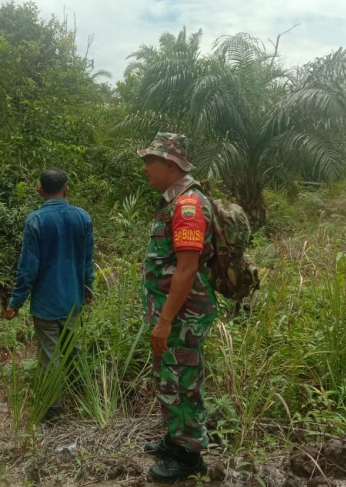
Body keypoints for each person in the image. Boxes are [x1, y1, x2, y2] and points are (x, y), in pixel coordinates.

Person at [138, 132, 217, 482]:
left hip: (182, 316)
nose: (145, 170)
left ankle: (189, 456)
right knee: (169, 377)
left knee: (183, 380)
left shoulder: (188, 206)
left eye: (149, 162)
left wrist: (166, 320)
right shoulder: (175, 201)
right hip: (172, 314)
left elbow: (187, 268)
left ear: (169, 164)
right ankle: (175, 440)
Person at [2, 168, 94, 420]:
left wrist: (15, 303)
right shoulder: (82, 217)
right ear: (66, 189)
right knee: (73, 349)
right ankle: (82, 398)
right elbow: (88, 260)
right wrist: (88, 288)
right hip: (73, 299)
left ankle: (53, 409)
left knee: (49, 355)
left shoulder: (36, 220)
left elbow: (27, 268)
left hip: (45, 302)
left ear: (40, 190)